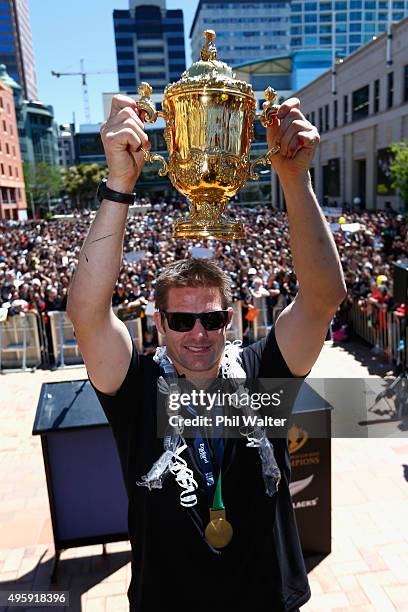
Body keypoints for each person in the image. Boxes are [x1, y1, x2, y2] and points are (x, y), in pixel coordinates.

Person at [67, 94, 346, 611]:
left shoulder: (263, 375)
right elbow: (87, 315)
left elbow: (323, 298)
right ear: (158, 325)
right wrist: (119, 183)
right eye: (180, 319)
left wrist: (294, 180)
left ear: (232, 321)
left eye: (213, 318)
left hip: (265, 598)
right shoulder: (136, 389)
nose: (198, 332)